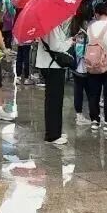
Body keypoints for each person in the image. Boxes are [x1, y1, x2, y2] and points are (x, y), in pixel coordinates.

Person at [82, 2, 107, 131]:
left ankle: (95, 120)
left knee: (93, 93)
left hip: (93, 63)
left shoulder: (90, 28)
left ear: (96, 14)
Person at [35, 17, 73, 145]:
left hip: (49, 64)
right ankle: (52, 135)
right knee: (54, 101)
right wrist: (70, 42)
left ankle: (55, 131)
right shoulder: (51, 24)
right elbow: (57, 46)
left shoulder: (48, 23)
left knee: (53, 100)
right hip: (53, 66)